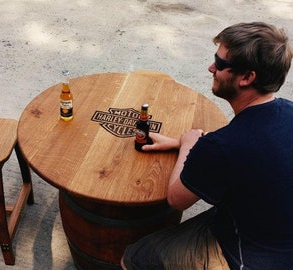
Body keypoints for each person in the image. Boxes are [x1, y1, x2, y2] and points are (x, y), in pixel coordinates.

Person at [121, 22, 293, 270]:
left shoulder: (221, 146)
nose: (211, 68)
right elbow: (253, 144)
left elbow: (176, 199)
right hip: (277, 231)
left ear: (247, 77)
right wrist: (181, 141)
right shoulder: (286, 111)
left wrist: (189, 145)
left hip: (251, 258)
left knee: (135, 257)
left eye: (220, 64)